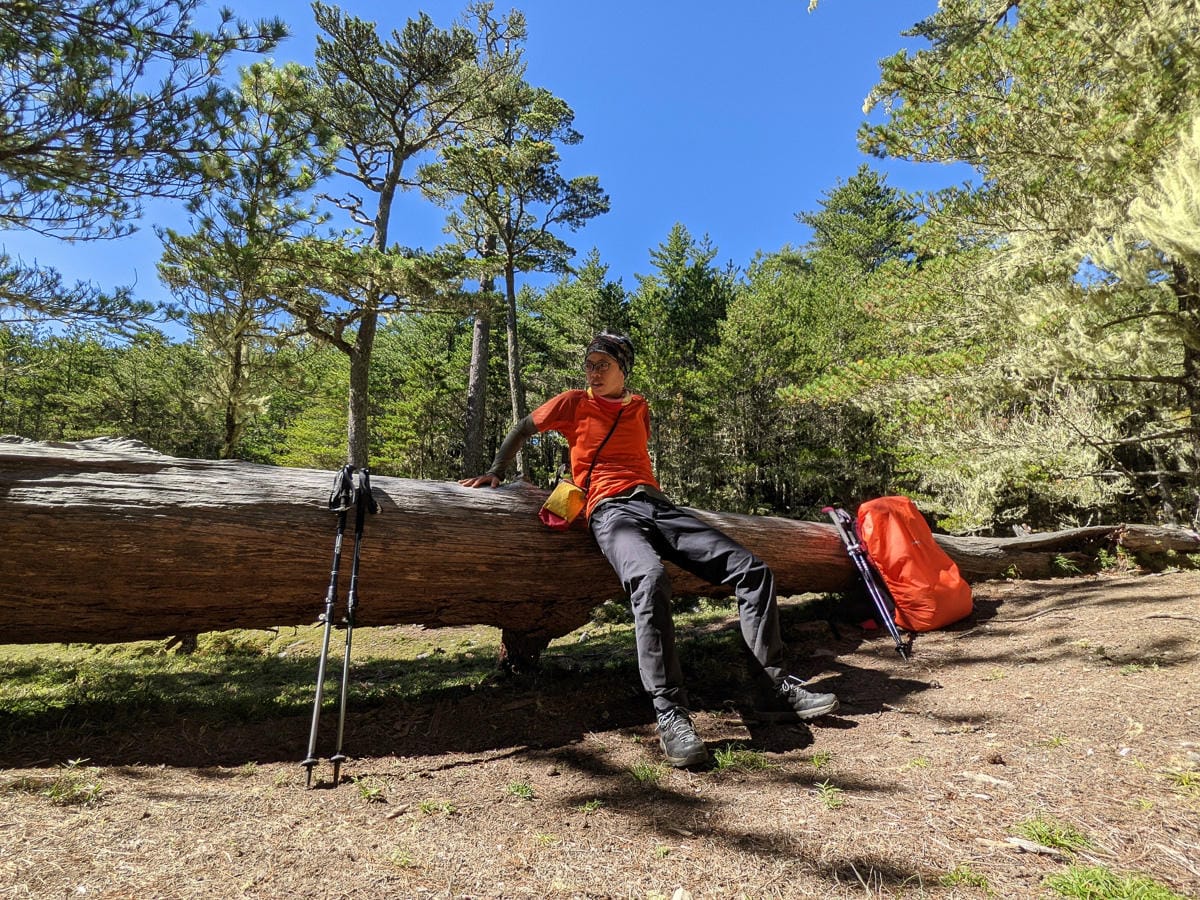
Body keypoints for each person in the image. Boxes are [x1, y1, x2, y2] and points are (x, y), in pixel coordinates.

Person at [460, 331, 839, 767]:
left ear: (624, 368)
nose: (593, 371)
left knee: (753, 570)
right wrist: (494, 471)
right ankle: (670, 713)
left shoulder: (640, 407)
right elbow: (523, 428)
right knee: (650, 577)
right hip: (609, 511)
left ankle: (772, 688)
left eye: (603, 364)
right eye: (589, 363)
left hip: (658, 507)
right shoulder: (572, 402)